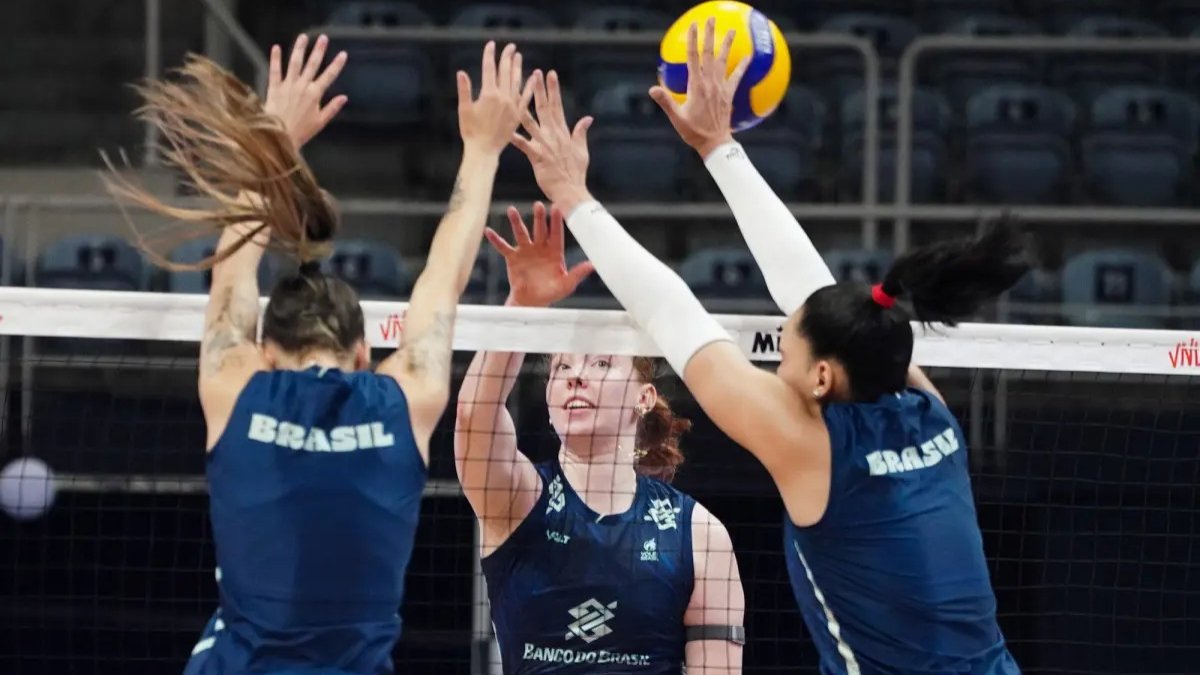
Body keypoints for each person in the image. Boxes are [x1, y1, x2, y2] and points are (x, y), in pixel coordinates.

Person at [510, 19, 1026, 675]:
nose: (772, 364)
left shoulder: (812, 447)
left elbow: (672, 310)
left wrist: (573, 197)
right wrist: (717, 145)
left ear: (818, 380)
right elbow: (820, 297)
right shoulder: (928, 411)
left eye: (781, 354)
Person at [104, 34, 535, 674]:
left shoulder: (235, 386)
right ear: (364, 352)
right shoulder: (407, 398)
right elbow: (441, 280)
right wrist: (482, 149)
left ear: (267, 351)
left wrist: (273, 139)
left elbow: (229, 278)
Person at [454, 201, 745, 673]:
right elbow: (474, 415)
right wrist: (522, 307)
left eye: (601, 364)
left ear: (644, 397)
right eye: (562, 368)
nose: (576, 377)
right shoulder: (518, 499)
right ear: (548, 401)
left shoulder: (701, 534)